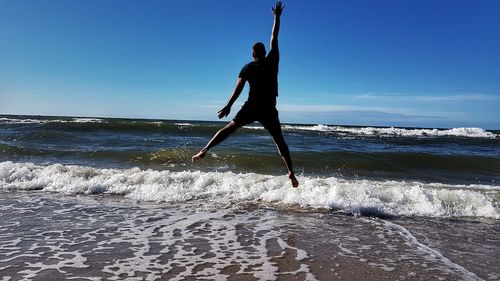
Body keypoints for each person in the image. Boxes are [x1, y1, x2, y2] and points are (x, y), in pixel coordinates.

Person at [192, 1, 298, 188]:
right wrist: (277, 17)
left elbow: (238, 88)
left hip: (252, 106)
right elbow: (274, 37)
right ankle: (290, 170)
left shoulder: (247, 67)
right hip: (268, 107)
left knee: (229, 128)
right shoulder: (273, 60)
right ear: (265, 52)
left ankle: (204, 150)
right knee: (278, 140)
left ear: (252, 53)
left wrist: (228, 105)